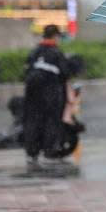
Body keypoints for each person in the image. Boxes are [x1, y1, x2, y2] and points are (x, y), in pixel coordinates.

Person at [23, 24, 69, 168]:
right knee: (51, 121)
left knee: (33, 121)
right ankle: (48, 152)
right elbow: (65, 73)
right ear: (55, 36)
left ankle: (32, 153)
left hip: (32, 94)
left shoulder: (34, 52)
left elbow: (26, 71)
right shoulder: (56, 53)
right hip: (50, 94)